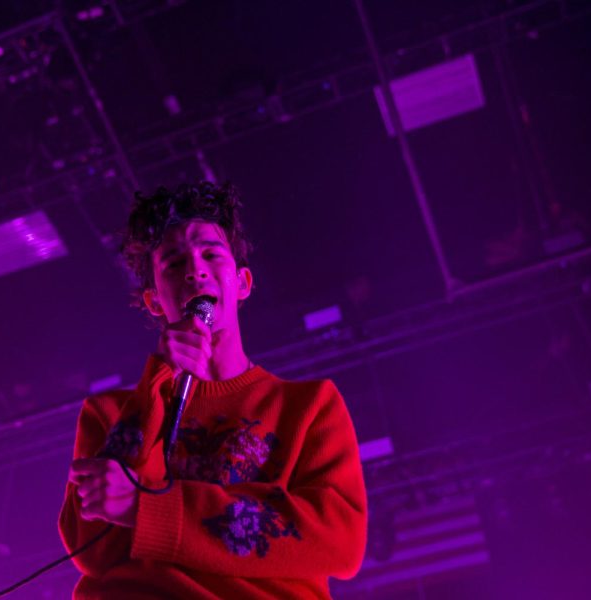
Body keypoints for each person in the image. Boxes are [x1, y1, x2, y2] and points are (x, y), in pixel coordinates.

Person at [58, 181, 367, 599]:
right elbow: (90, 545)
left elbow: (338, 542)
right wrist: (156, 383)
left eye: (210, 254)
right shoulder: (108, 413)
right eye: (172, 263)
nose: (194, 270)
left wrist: (147, 511)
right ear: (153, 301)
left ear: (242, 283)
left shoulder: (308, 406)